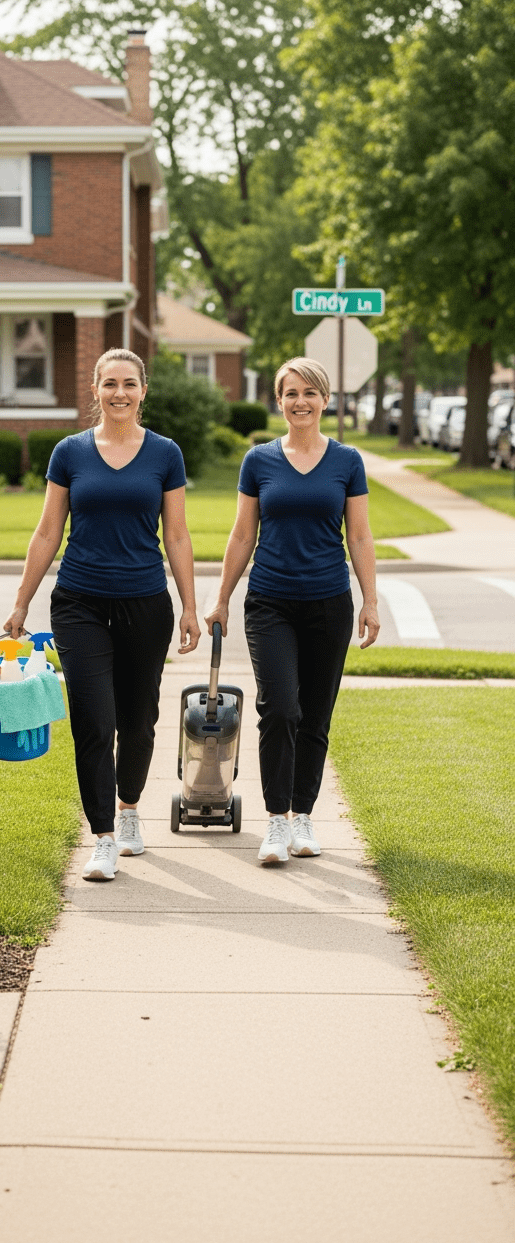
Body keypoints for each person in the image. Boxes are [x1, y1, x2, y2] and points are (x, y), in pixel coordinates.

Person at [2, 347, 200, 881]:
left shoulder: (165, 454)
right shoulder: (69, 453)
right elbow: (48, 531)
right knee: (95, 720)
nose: (120, 393)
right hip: (79, 601)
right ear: (95, 390)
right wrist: (22, 599)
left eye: (129, 384)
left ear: (143, 390)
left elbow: (176, 534)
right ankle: (104, 837)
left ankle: (130, 808)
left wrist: (190, 606)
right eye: (109, 383)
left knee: (138, 721)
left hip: (145, 601)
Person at [205, 357, 379, 865]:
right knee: (280, 708)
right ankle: (276, 821)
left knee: (315, 716)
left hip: (329, 602)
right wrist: (221, 599)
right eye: (290, 393)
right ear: (278, 401)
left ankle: (303, 815)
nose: (299, 402)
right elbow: (242, 534)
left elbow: (360, 535)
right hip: (271, 602)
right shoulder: (259, 460)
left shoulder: (347, 461)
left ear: (325, 399)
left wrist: (370, 599)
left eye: (309, 393)